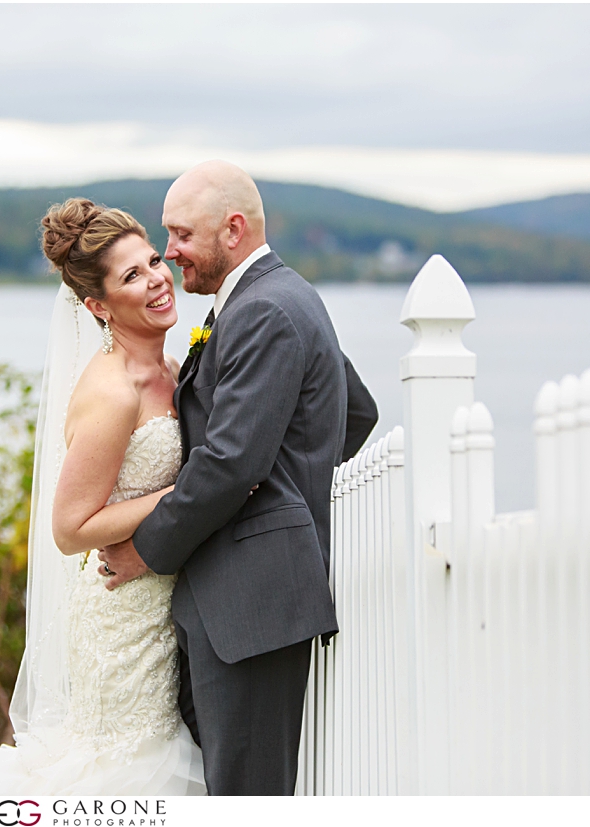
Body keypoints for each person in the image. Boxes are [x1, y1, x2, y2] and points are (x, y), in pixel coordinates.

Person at [0, 198, 206, 795]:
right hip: (123, 623)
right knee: (130, 774)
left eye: (152, 260)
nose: (156, 279)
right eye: (131, 276)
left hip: (163, 607)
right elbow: (70, 528)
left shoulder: (170, 366)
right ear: (97, 305)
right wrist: (185, 493)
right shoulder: (114, 393)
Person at [98, 160, 376, 795]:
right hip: (235, 604)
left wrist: (146, 549)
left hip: (251, 606)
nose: (170, 254)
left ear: (232, 229)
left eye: (181, 236)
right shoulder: (277, 296)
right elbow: (354, 412)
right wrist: (289, 481)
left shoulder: (265, 311)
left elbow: (229, 462)